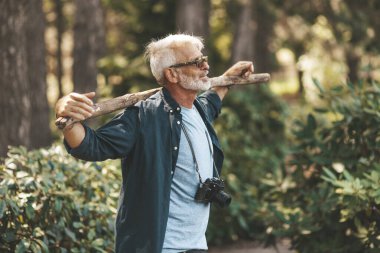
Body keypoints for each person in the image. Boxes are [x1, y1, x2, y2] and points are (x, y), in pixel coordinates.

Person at [55, 34, 254, 253]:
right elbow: (92, 146)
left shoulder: (198, 108)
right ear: (172, 73)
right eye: (197, 62)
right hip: (158, 247)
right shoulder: (142, 117)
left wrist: (227, 79)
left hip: (196, 246)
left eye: (204, 58)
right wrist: (66, 117)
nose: (206, 66)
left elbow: (212, 101)